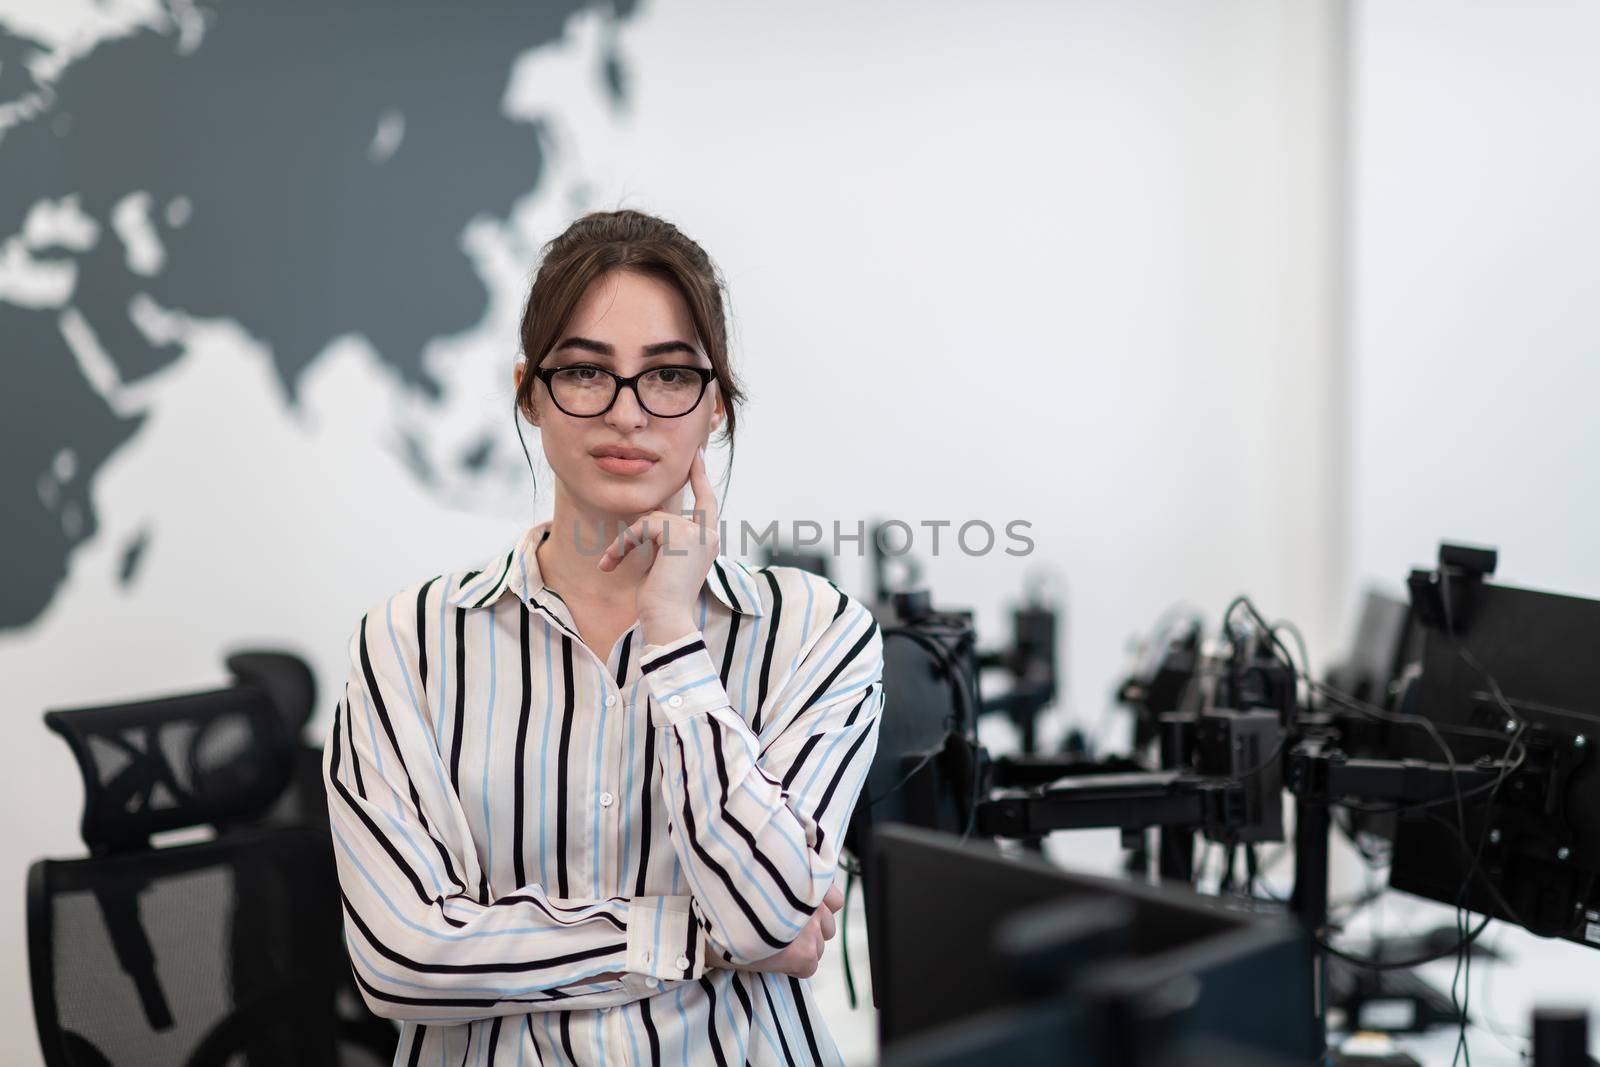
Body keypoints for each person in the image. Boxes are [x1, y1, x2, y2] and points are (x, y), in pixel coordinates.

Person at [323, 209, 886, 1066]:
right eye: (587, 371)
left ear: (716, 411)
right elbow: (403, 959)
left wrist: (672, 635)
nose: (628, 412)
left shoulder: (819, 634)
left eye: (668, 375)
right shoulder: (409, 643)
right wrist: (689, 939)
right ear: (530, 393)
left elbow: (772, 917)